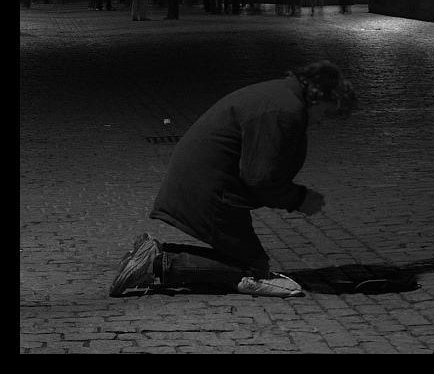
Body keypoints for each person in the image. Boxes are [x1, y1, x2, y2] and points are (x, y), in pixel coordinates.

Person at [109, 61, 357, 298]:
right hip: (210, 188)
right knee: (254, 269)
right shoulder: (284, 109)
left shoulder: (281, 96)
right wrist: (299, 198)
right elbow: (259, 178)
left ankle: (155, 259)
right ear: (318, 97)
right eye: (327, 113)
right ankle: (155, 262)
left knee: (246, 260)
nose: (323, 121)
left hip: (207, 181)